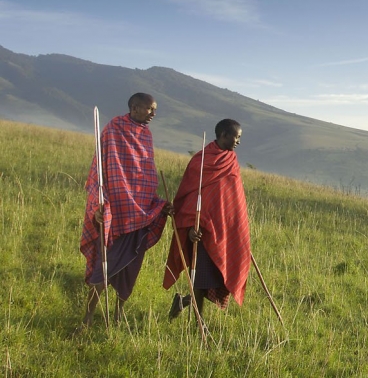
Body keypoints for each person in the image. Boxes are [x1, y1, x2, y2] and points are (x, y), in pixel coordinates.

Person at [80, 92, 171, 327]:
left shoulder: (146, 136)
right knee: (105, 266)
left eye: (154, 109)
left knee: (131, 267)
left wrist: (158, 206)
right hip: (116, 212)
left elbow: (146, 175)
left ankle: (119, 312)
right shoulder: (113, 130)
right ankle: (88, 316)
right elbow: (101, 171)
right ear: (134, 107)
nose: (153, 113)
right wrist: (100, 205)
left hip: (140, 213)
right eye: (149, 108)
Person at [164, 119, 251, 322]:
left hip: (223, 230)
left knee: (214, 277)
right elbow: (188, 197)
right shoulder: (201, 161)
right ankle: (198, 321)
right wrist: (189, 228)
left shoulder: (231, 161)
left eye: (239, 137)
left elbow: (233, 199)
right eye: (235, 137)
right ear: (222, 135)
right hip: (201, 231)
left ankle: (183, 302)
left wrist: (236, 228)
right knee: (201, 277)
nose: (238, 141)